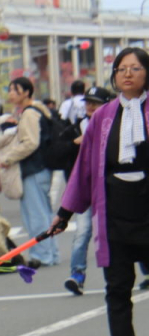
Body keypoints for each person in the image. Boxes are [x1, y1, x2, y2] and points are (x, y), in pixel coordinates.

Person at [52, 47, 149, 336]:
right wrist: (64, 213)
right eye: (121, 68)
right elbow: (83, 170)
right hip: (115, 211)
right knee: (117, 288)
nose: (127, 74)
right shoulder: (103, 117)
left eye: (135, 68)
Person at [0, 77, 58, 267]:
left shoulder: (30, 113)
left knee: (36, 214)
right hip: (41, 167)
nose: (11, 94)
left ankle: (42, 255)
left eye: (14, 90)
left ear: (26, 92)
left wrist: (8, 158)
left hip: (34, 168)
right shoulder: (37, 110)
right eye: (10, 90)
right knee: (44, 213)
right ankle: (51, 253)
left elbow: (30, 142)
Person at [64, 85, 115, 295]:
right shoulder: (74, 127)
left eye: (95, 103)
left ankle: (144, 268)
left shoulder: (115, 125)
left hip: (111, 189)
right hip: (85, 188)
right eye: (88, 103)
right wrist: (75, 144)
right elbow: (56, 153)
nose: (91, 107)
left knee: (119, 232)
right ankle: (77, 275)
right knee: (82, 232)